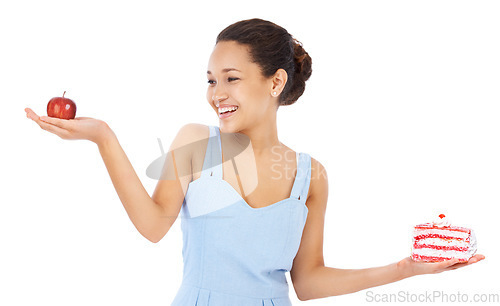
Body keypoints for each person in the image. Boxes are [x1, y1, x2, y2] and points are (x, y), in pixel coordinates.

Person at [25, 18, 484, 305]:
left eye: (231, 78)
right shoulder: (196, 143)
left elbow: (307, 282)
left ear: (275, 81)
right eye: (210, 80)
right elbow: (152, 226)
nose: (215, 94)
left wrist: (404, 269)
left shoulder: (310, 175)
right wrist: (104, 138)